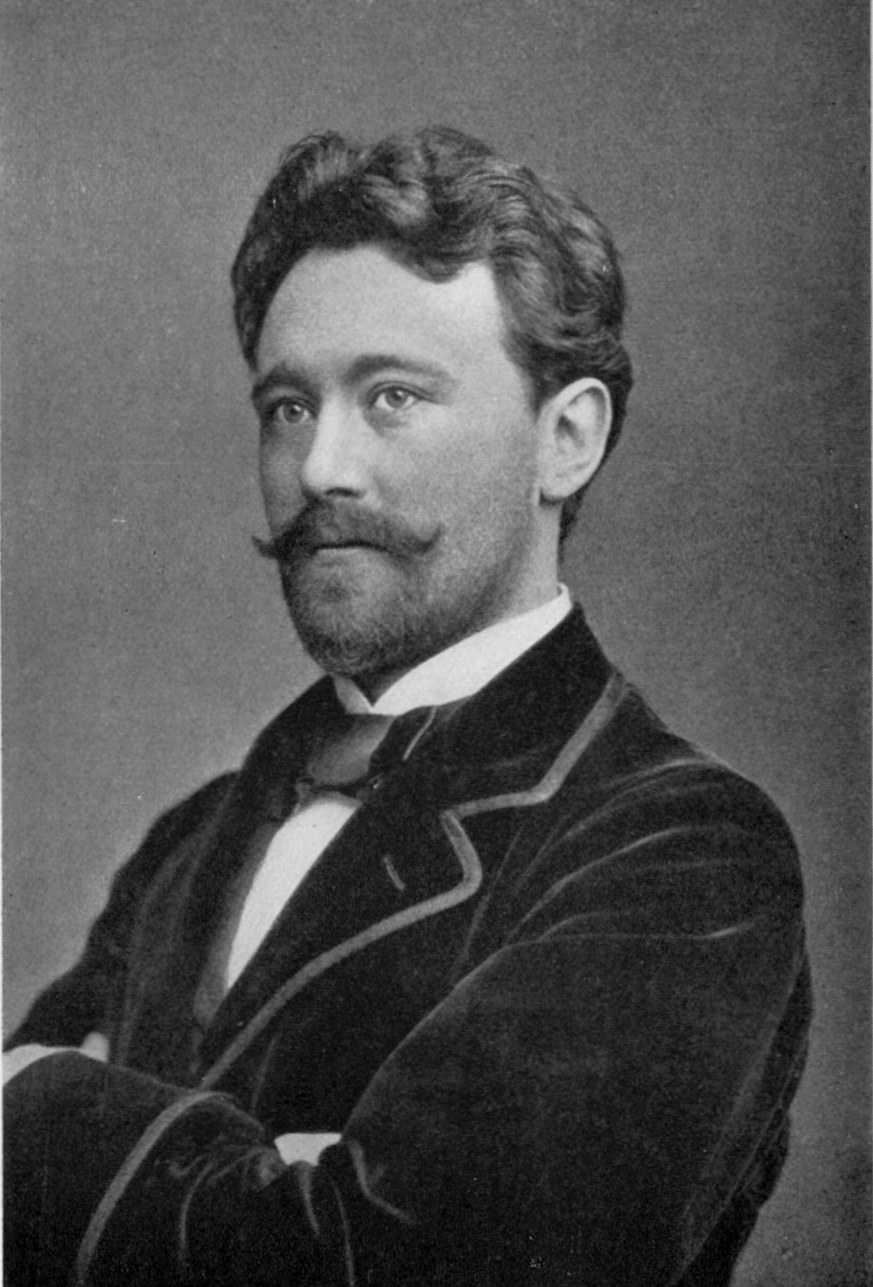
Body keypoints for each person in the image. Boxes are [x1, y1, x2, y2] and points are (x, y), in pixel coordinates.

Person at [4, 126, 811, 1286]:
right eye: (288, 407)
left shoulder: (680, 849)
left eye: (391, 397)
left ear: (567, 439)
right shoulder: (189, 842)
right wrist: (276, 1186)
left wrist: (44, 1107)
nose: (320, 467)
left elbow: (416, 1264)